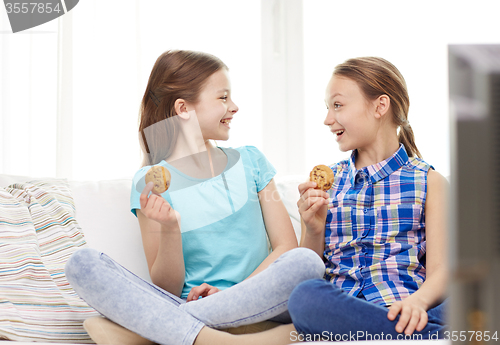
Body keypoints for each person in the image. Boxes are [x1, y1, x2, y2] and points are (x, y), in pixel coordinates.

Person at [64, 50, 324, 345]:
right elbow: (167, 287)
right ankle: (220, 339)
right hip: (188, 299)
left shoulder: (251, 161)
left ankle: (162, 329)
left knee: (305, 262)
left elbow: (286, 249)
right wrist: (170, 228)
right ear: (184, 108)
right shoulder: (149, 182)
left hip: (260, 302)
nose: (234, 106)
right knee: (82, 264)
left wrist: (229, 296)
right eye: (223, 98)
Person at [288, 56, 448, 341]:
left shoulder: (429, 182)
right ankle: (425, 337)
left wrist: (419, 302)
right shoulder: (328, 184)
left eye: (337, 105)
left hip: (406, 305)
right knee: (305, 296)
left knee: (473, 290)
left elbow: (440, 271)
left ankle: (406, 331)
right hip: (343, 307)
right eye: (327, 108)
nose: (327, 120)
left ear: (380, 106)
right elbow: (310, 269)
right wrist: (312, 227)